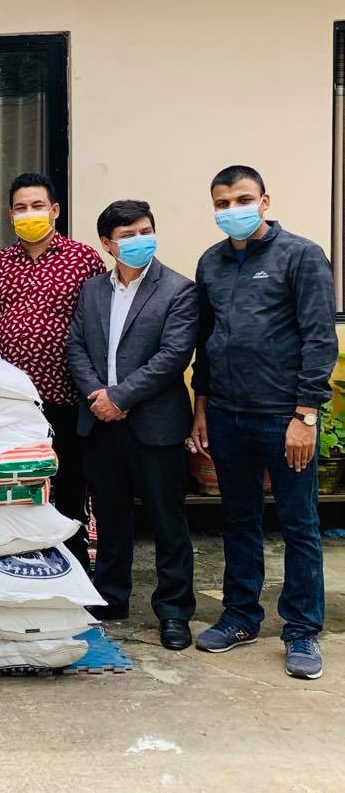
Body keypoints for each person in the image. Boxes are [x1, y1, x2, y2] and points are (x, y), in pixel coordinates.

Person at [189, 165, 335, 680]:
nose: (233, 210)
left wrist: (305, 415)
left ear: (265, 201)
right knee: (238, 519)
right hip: (227, 414)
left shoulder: (302, 255)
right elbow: (205, 342)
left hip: (283, 415)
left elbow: (320, 337)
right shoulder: (210, 262)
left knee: (299, 524)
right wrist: (201, 409)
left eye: (243, 199)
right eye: (222, 203)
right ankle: (240, 617)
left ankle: (301, 629)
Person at [65, 201, 197, 651]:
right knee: (110, 515)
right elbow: (76, 346)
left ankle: (174, 610)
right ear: (107, 244)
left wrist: (119, 398)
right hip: (100, 423)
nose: (140, 240)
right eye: (128, 235)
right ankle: (111, 595)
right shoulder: (92, 290)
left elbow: (173, 356)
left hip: (154, 424)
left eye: (146, 231)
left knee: (167, 518)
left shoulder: (178, 289)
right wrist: (97, 396)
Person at [0, 173, 106, 569]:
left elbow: (98, 322)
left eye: (37, 206)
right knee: (18, 482)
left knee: (69, 485)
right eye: (20, 207)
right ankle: (19, 561)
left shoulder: (83, 259)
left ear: (55, 210)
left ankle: (74, 564)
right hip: (13, 405)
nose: (28, 213)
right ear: (10, 215)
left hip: (68, 397)